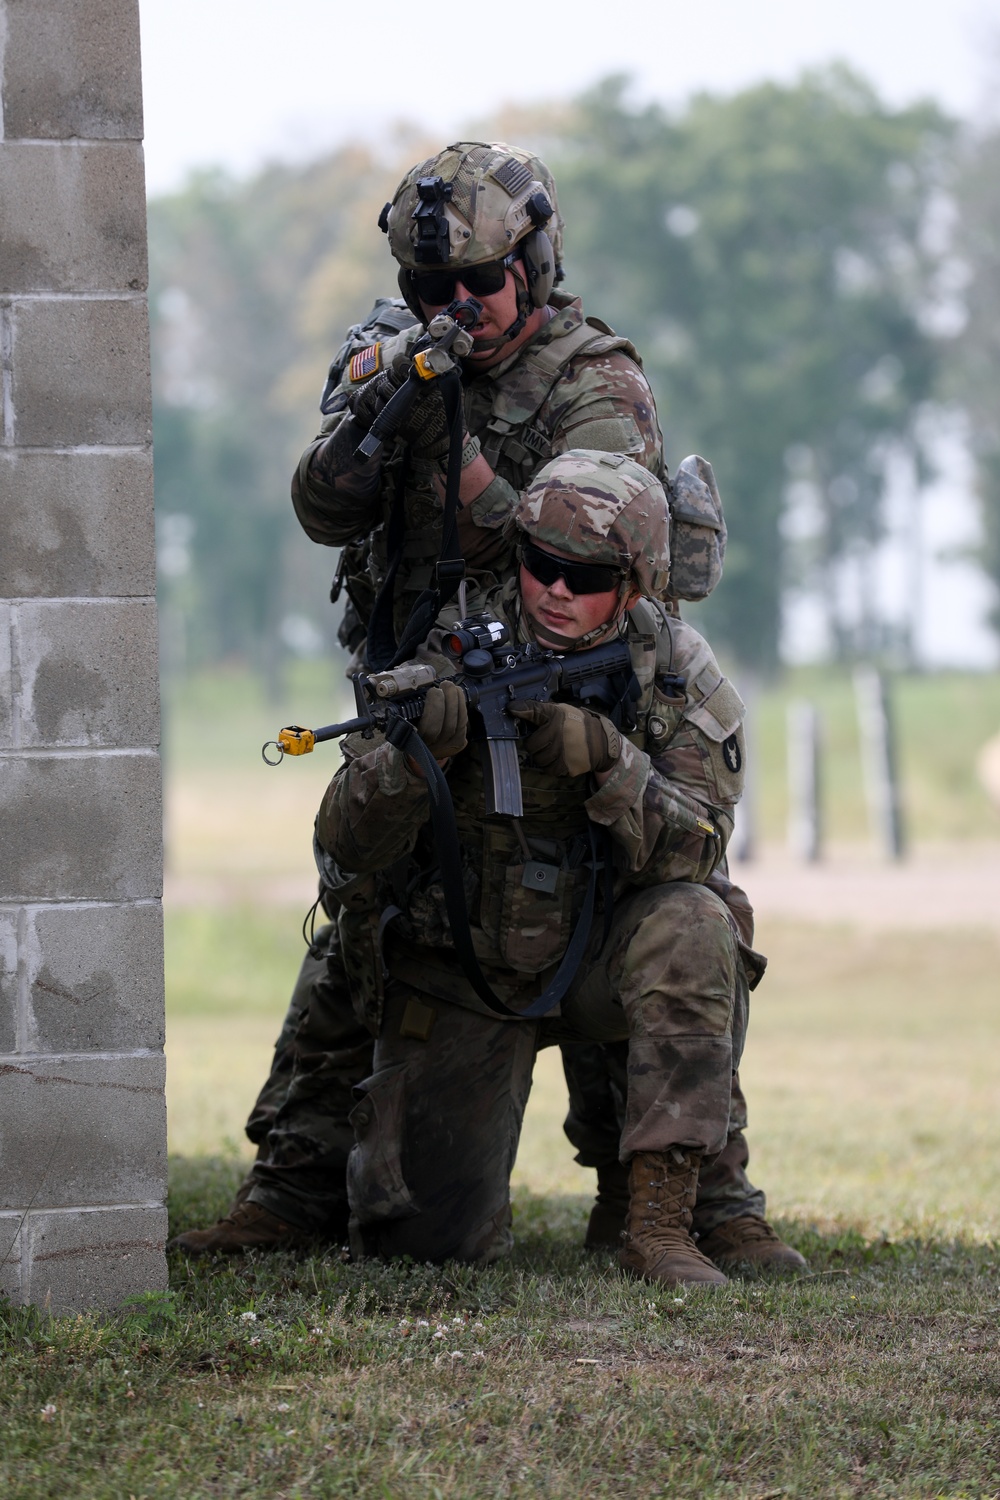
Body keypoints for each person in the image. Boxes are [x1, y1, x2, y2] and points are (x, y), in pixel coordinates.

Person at [170, 143, 802, 1276]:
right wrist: (371, 408)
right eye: (428, 290)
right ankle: (294, 1185)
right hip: (434, 678)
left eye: (478, 284)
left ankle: (690, 1200)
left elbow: (592, 551)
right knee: (368, 914)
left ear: (535, 263)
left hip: (576, 690)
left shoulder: (591, 380)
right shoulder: (393, 356)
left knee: (670, 912)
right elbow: (324, 508)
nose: (454, 308)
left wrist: (477, 487)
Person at [314, 449, 781, 1284]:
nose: (558, 590)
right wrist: (416, 762)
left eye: (588, 575)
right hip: (469, 968)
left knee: (697, 923)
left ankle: (661, 1223)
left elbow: (701, 847)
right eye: (542, 564)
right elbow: (342, 845)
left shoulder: (671, 670)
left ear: (635, 585)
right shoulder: (450, 642)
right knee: (421, 1249)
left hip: (606, 953)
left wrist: (610, 764)